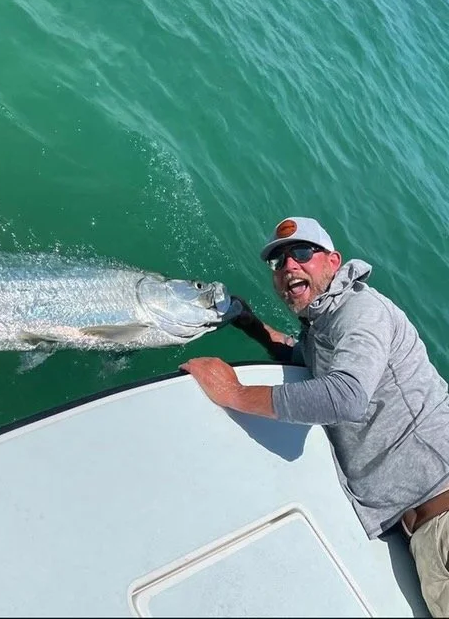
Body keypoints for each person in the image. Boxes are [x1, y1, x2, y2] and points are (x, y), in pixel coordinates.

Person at [181, 216, 449, 617]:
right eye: (279, 261)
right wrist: (249, 323)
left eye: (303, 253)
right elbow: (301, 358)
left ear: (333, 262)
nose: (289, 265)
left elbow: (346, 395)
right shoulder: (322, 327)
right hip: (424, 537)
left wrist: (233, 392)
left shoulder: (361, 310)